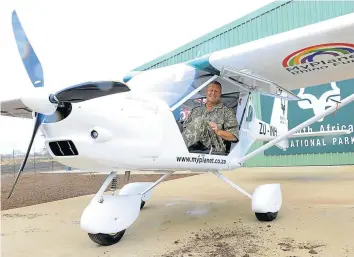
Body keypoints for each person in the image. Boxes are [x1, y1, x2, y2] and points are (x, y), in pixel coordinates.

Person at [181, 81, 239, 153]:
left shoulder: (227, 112)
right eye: (211, 90)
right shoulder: (196, 111)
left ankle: (177, 150)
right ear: (206, 92)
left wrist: (217, 131)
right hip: (193, 144)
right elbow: (185, 130)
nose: (213, 93)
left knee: (200, 122)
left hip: (215, 148)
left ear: (220, 94)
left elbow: (234, 136)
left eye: (216, 91)